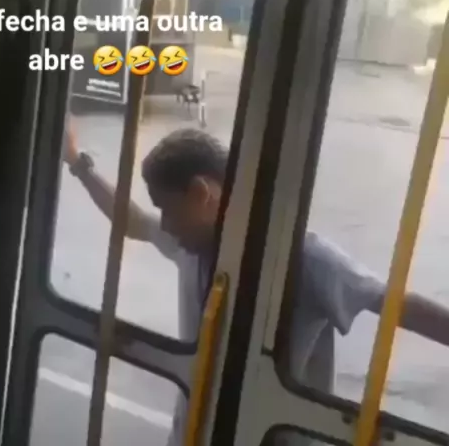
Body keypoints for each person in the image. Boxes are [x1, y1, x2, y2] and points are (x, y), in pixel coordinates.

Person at [63, 124, 449, 446]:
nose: (164, 224)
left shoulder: (302, 259)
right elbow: (133, 221)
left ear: (201, 194)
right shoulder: (191, 243)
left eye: (167, 209)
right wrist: (77, 163)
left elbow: (394, 303)